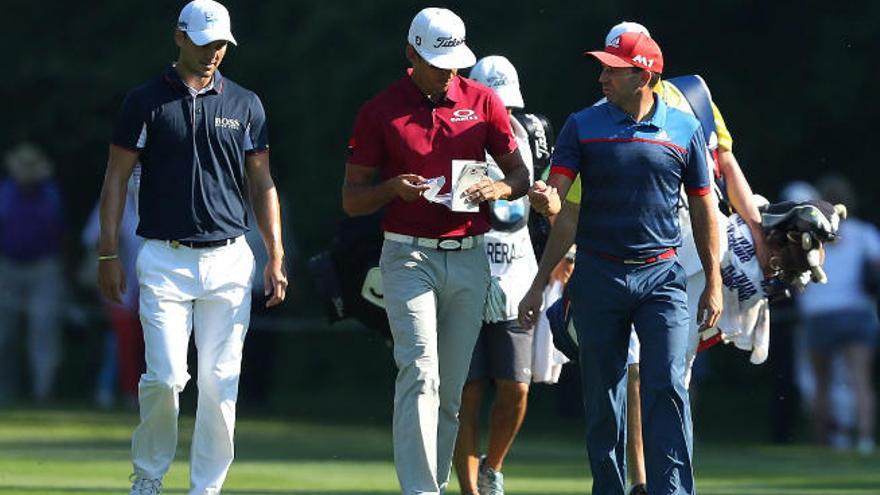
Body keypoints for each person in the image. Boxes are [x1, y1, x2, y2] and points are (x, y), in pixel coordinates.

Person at [523, 21, 768, 494]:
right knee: (604, 398)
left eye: (613, 69)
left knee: (669, 387)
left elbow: (704, 207)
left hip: (663, 278)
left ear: (644, 74)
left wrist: (714, 281)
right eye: (602, 68)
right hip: (598, 277)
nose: (602, 77)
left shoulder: (685, 128)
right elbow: (563, 207)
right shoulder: (582, 125)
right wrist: (543, 229)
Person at [96, 1, 288, 493]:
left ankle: (206, 486)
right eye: (204, 44)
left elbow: (262, 182)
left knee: (221, 383)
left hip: (229, 259)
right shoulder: (145, 102)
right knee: (165, 377)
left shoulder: (246, 103)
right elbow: (116, 179)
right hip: (163, 256)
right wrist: (107, 253)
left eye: (221, 44)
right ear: (180, 37)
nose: (213, 54)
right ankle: (149, 475)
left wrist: (276, 254)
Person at [341, 8, 529, 494]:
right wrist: (392, 190)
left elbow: (520, 176)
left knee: (449, 390)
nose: (449, 73)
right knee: (419, 370)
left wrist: (498, 189)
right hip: (407, 257)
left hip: (470, 255)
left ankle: (433, 483)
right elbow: (353, 199)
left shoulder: (484, 101)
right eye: (438, 62)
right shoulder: (380, 111)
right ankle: (421, 490)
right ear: (411, 54)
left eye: (455, 64)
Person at [451, 55, 538, 495]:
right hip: (465, 275)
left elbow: (544, 208)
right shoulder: (456, 133)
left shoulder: (530, 136)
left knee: (515, 387)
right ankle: (470, 490)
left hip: (515, 279)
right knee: (465, 394)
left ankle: (494, 466)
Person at [799, 175, 879, 454]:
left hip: (820, 313)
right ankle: (865, 439)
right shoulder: (864, 233)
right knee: (860, 379)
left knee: (823, 382)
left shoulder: (809, 235)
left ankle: (825, 441)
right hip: (856, 311)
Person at [0, 142, 65, 403]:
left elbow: (61, 233)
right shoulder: (4, 193)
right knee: (4, 332)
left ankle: (43, 393)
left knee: (44, 328)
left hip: (44, 266)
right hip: (8, 266)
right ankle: (5, 390)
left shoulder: (51, 194)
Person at [82, 166, 144, 409]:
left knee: (142, 341)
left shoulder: (155, 202)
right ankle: (120, 391)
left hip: (148, 286)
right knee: (122, 339)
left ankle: (133, 391)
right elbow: (90, 239)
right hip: (119, 285)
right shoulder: (110, 202)